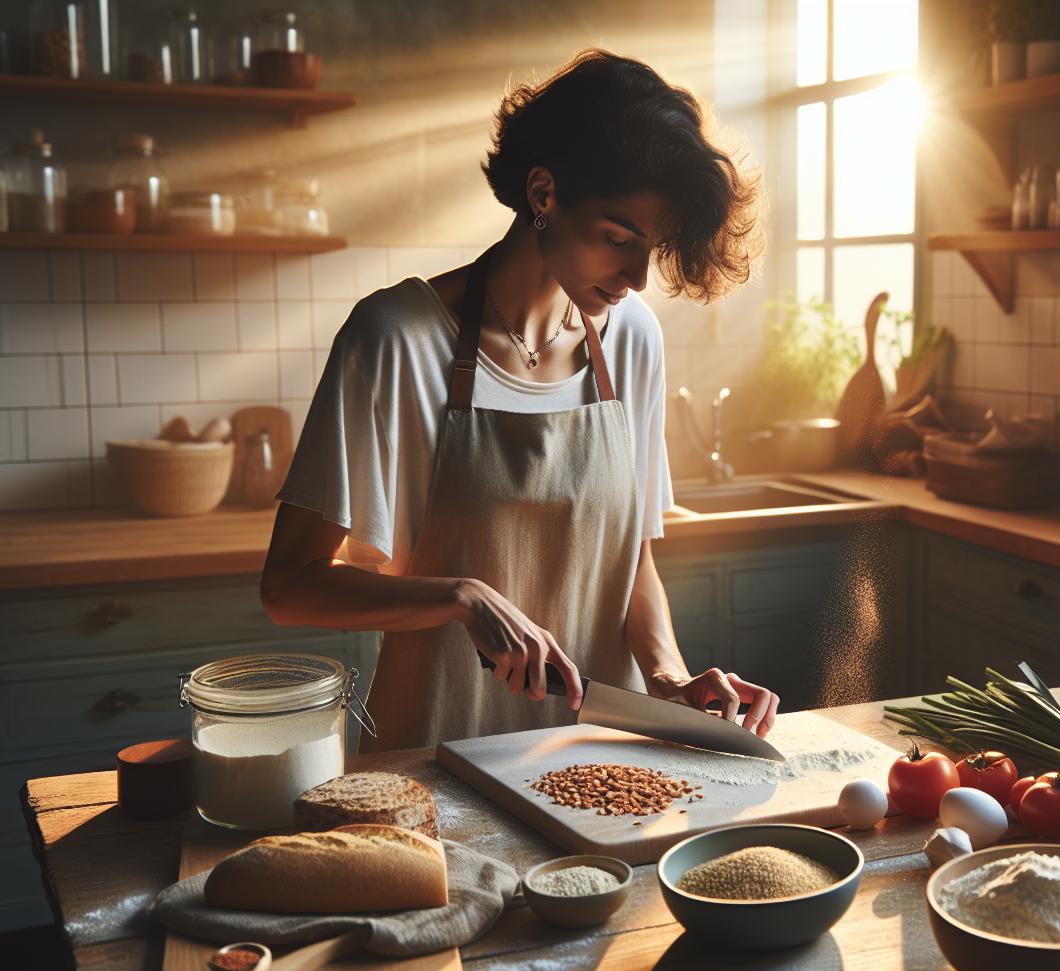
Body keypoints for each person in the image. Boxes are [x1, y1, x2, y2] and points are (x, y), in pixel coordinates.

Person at [259, 50, 778, 752]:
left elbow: (628, 557)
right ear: (543, 193)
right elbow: (290, 588)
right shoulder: (395, 339)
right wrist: (459, 595)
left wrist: (667, 676)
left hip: (603, 757)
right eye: (617, 240)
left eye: (649, 250)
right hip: (438, 752)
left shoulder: (632, 340)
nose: (635, 278)